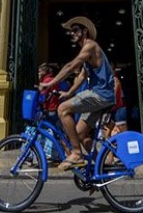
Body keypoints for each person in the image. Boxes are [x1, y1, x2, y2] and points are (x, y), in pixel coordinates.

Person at [38, 16, 116, 170]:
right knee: (79, 134)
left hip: (100, 94)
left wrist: (50, 83)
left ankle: (76, 154)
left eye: (75, 30)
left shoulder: (90, 46)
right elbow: (82, 76)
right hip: (100, 96)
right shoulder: (87, 51)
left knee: (62, 109)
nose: (72, 33)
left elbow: (70, 66)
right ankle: (100, 166)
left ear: (84, 31)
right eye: (71, 31)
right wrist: (69, 93)